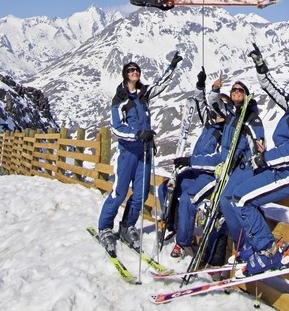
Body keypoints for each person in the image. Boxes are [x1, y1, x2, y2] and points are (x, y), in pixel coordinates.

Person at [224, 44, 289, 276]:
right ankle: (260, 247)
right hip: (278, 169)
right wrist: (260, 65)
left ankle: (268, 252)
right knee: (238, 195)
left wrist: (263, 160)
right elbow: (272, 89)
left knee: (243, 200)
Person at [97, 52, 183, 255]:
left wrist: (172, 67)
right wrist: (138, 134)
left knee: (141, 193)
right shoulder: (120, 100)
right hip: (128, 153)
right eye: (130, 70)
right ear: (125, 75)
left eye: (137, 70)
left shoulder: (144, 94)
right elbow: (116, 128)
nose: (135, 72)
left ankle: (128, 225)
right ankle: (105, 227)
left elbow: (160, 85)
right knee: (119, 193)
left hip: (145, 153)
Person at [163, 67, 227, 259]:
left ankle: (183, 242)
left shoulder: (226, 131)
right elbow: (199, 103)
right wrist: (202, 85)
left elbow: (218, 161)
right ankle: (175, 226)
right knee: (166, 188)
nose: (217, 109)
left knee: (187, 201)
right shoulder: (210, 122)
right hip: (195, 170)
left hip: (209, 175)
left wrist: (191, 161)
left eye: (221, 106)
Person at [207, 76, 265, 261]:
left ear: (246, 95)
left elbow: (258, 139)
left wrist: (259, 150)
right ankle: (242, 245)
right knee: (224, 203)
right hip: (228, 167)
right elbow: (213, 103)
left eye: (240, 90)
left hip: (243, 166)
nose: (236, 92)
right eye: (234, 90)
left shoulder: (250, 117)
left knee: (230, 201)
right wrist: (215, 89)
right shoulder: (231, 114)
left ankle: (248, 244)